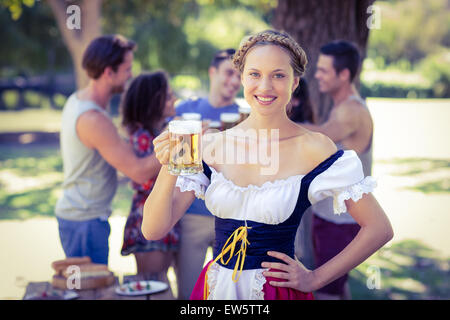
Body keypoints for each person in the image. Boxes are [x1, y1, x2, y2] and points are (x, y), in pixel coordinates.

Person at [142, 30, 393, 300]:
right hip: (216, 289)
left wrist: (314, 277)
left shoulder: (314, 148)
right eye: (254, 74)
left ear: (295, 82)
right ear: (241, 78)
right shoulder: (212, 145)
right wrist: (169, 165)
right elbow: (153, 229)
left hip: (278, 292)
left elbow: (379, 228)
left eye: (278, 75)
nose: (265, 86)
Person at [55, 35, 162, 265]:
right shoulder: (93, 119)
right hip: (85, 221)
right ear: (108, 72)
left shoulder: (77, 101)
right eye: (127, 69)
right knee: (90, 291)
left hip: (82, 217)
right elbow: (139, 171)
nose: (131, 74)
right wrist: (178, 144)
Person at [301, 40, 375, 300]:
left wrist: (276, 123)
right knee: (338, 288)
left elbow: (317, 137)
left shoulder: (350, 111)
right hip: (332, 216)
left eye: (324, 70)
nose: (317, 75)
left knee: (325, 291)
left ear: (343, 75)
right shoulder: (341, 106)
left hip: (341, 220)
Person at [173, 48, 241, 299]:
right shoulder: (187, 110)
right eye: (229, 73)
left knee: (228, 293)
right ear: (212, 72)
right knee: (189, 292)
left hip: (230, 217)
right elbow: (173, 161)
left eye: (239, 76)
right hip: (192, 215)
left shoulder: (245, 116)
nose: (234, 81)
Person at [120, 71, 179, 283]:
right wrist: (175, 139)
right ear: (154, 100)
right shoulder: (141, 135)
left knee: (162, 283)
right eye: (169, 96)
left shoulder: (160, 129)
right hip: (148, 214)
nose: (174, 100)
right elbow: (144, 179)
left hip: (166, 211)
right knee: (153, 283)